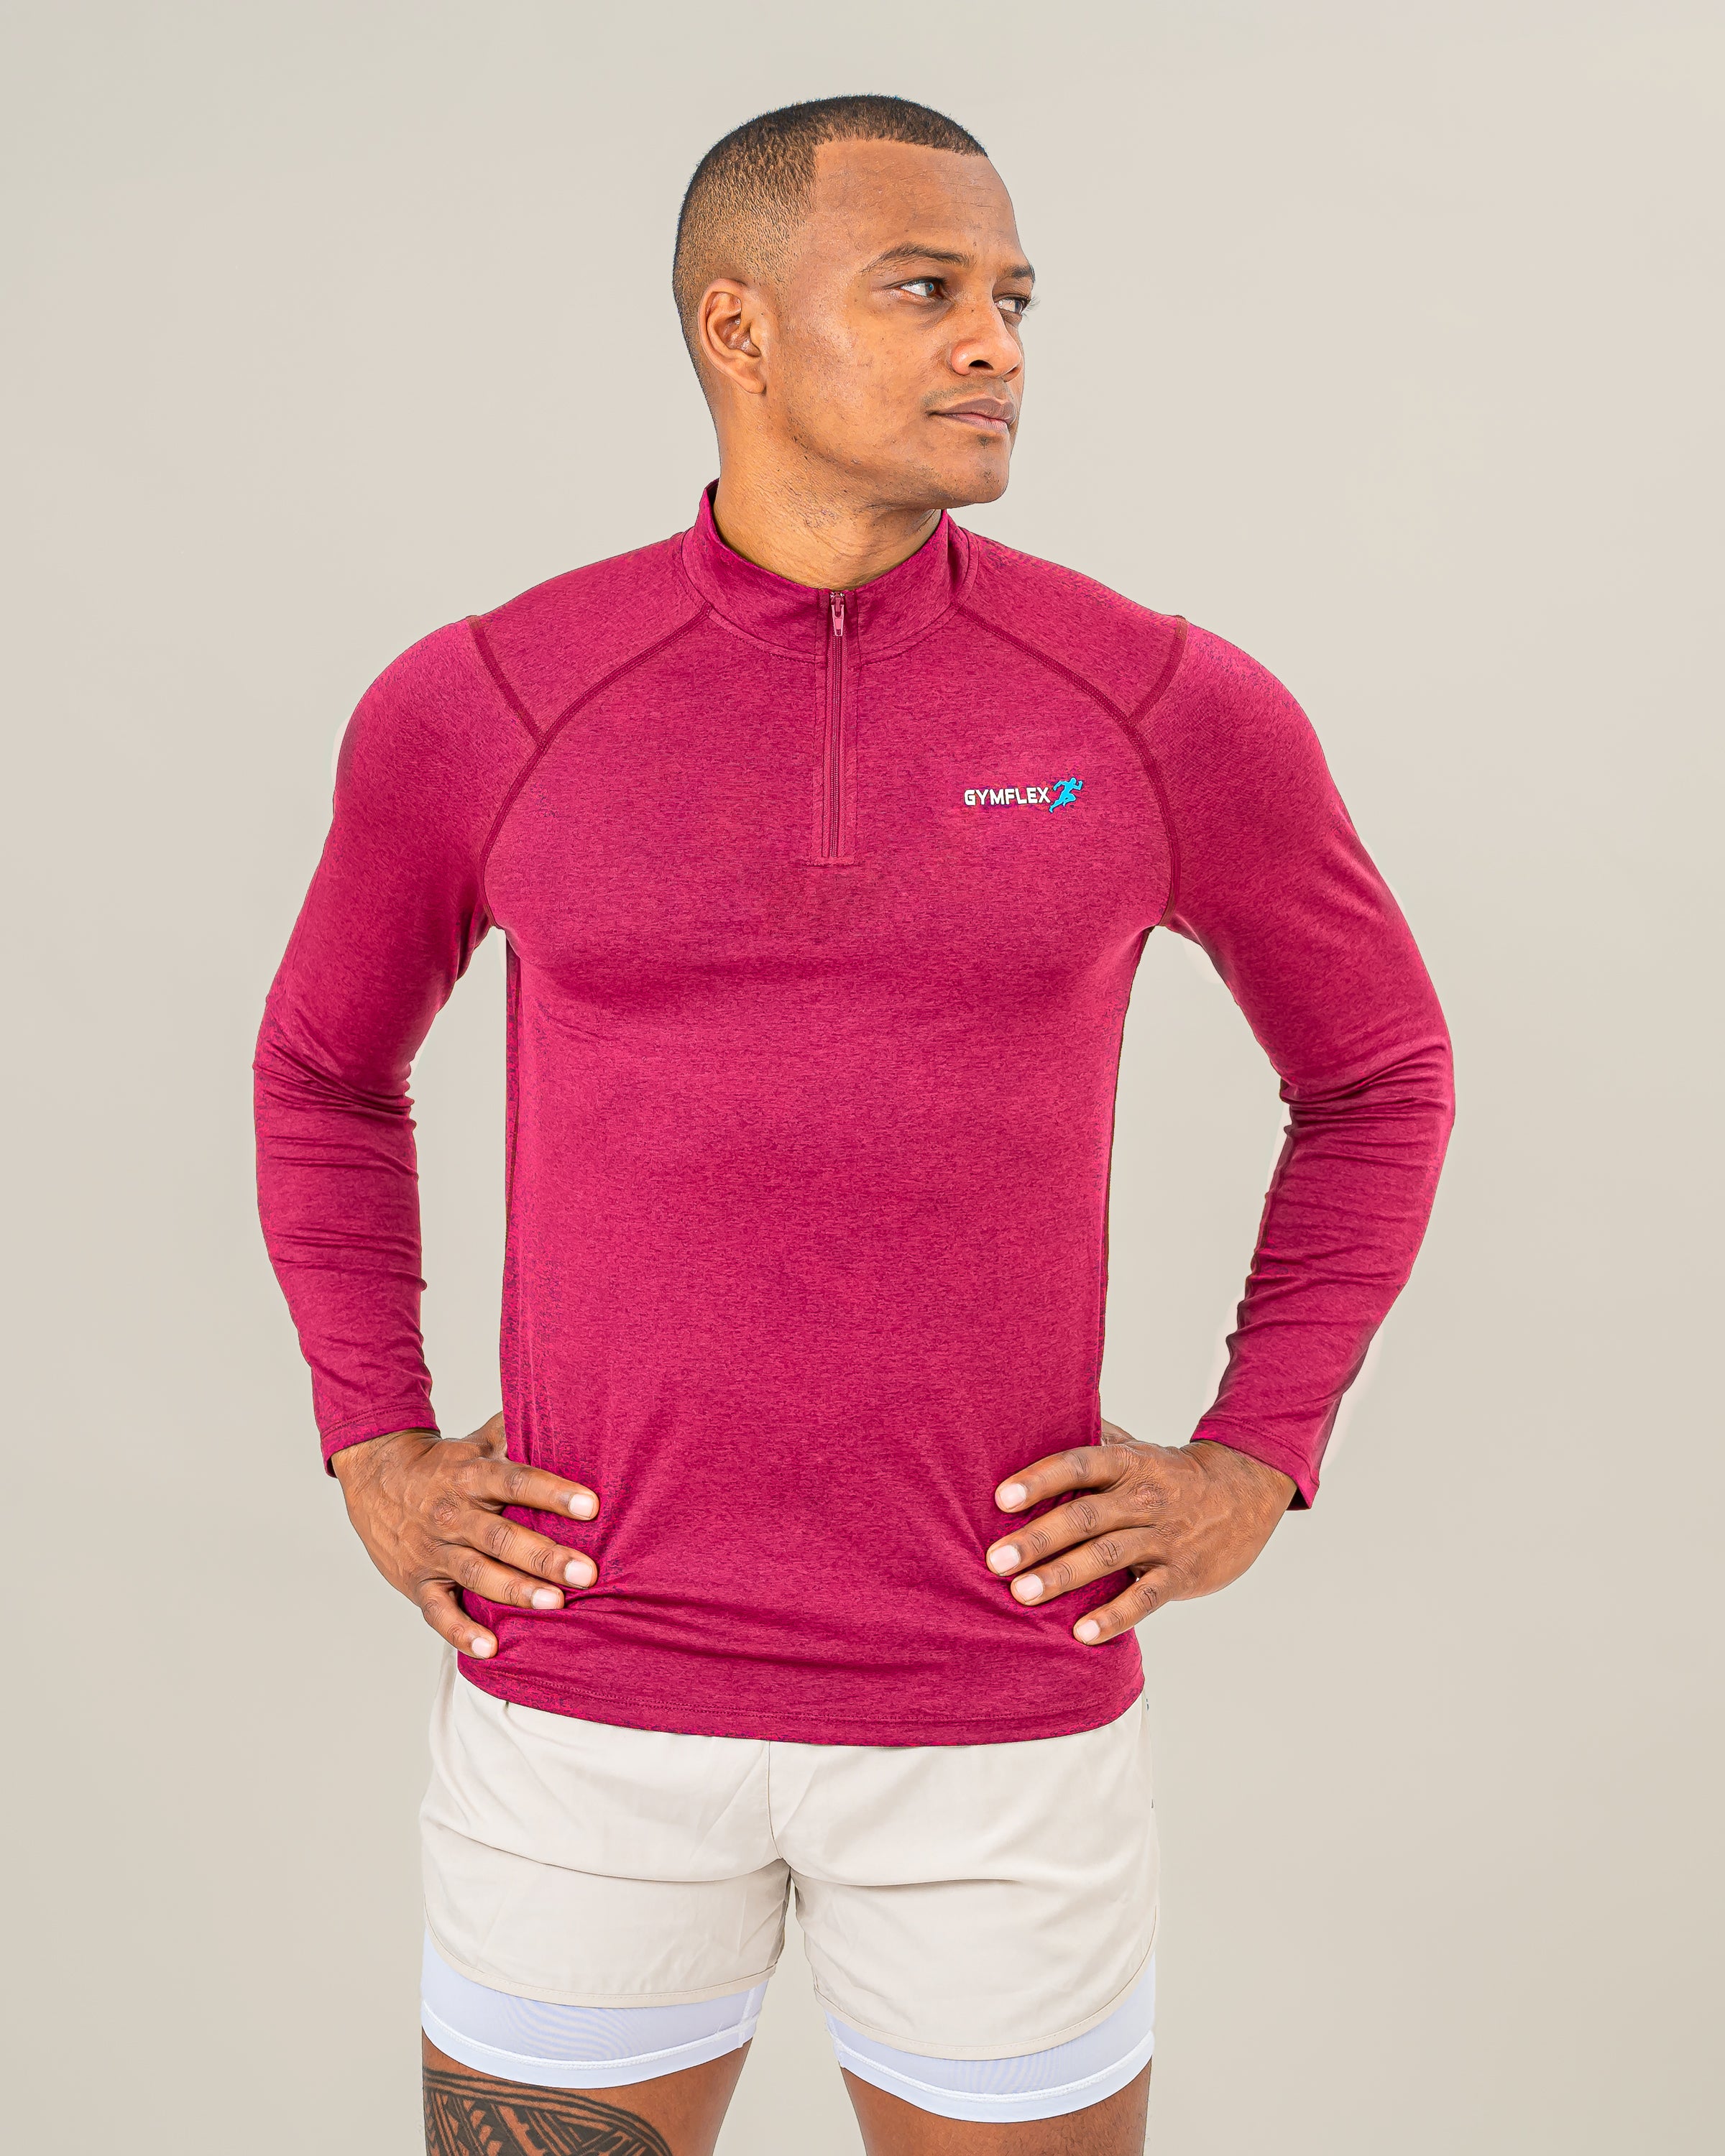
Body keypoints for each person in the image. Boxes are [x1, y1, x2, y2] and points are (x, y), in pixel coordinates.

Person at [254, 94, 1453, 2156]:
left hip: (996, 1710)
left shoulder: (1162, 706)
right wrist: (374, 1435)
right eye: (924, 290)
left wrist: (1258, 1453)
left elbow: (1378, 1075)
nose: (995, 343)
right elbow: (322, 1072)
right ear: (737, 329)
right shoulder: (491, 700)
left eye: (1014, 299)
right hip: (586, 1697)